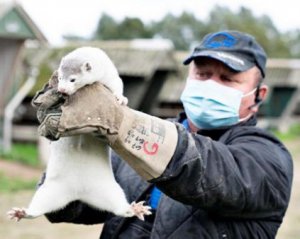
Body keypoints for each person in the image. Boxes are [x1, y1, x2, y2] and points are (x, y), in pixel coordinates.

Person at [35, 30, 293, 238]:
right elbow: (73, 208)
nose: (211, 84)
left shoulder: (268, 158)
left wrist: (119, 121)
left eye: (227, 78)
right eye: (202, 74)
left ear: (259, 95)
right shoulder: (133, 143)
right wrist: (72, 147)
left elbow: (204, 169)